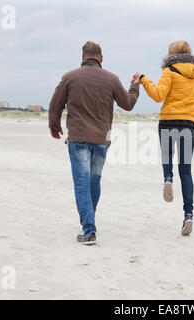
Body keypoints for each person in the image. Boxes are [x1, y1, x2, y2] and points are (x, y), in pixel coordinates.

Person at [49, 41, 140, 245]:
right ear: (100, 58)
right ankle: (89, 220)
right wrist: (135, 86)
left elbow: (55, 104)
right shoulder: (111, 78)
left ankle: (89, 230)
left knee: (82, 183)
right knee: (93, 181)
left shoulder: (69, 77)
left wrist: (54, 127)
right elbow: (128, 104)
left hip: (79, 137)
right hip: (101, 139)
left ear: (83, 57)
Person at [135, 40, 194, 235]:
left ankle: (167, 178)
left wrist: (143, 79)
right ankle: (188, 215)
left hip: (168, 122)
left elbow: (158, 95)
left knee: (167, 157)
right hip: (188, 125)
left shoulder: (170, 71)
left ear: (171, 53)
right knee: (186, 171)